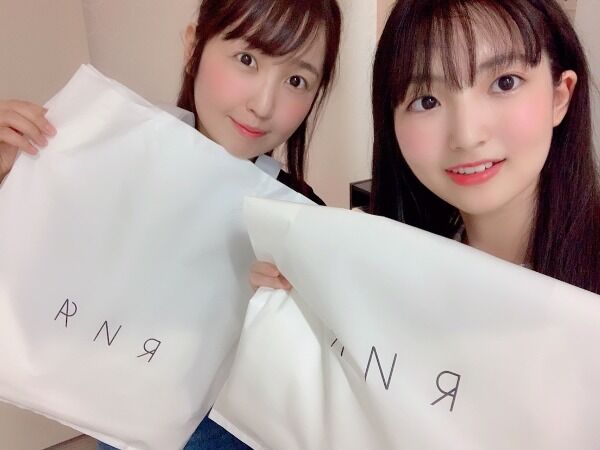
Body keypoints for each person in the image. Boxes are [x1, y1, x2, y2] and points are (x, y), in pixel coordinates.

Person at [0, 0, 342, 448]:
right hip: (121, 421)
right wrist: (11, 181)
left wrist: (304, 306)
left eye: (296, 80)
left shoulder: (301, 218)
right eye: (247, 59)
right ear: (194, 45)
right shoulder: (105, 153)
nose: (263, 105)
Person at [369, 0, 599, 295]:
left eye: (505, 83)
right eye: (426, 101)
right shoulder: (388, 270)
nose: (467, 136)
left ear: (560, 96)